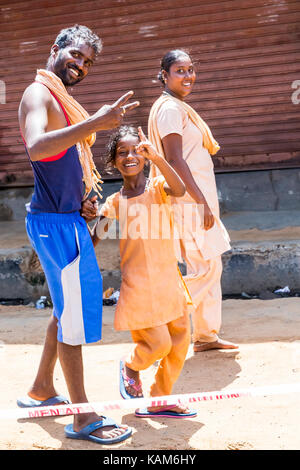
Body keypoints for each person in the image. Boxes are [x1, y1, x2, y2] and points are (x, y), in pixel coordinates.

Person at [17, 24, 139, 445]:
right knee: (71, 320)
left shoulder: (61, 99)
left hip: (64, 218)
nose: (81, 65)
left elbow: (62, 164)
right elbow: (36, 147)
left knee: (63, 310)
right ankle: (83, 416)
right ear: (55, 49)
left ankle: (41, 389)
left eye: (89, 62)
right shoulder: (39, 94)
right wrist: (94, 123)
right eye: (76, 55)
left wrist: (82, 202)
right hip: (54, 225)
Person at [90, 125, 197, 418]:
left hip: (169, 281)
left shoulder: (158, 188)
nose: (130, 156)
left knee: (179, 343)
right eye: (121, 152)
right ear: (114, 162)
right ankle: (130, 365)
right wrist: (85, 214)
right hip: (139, 287)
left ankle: (160, 399)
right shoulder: (114, 202)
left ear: (145, 155)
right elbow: (93, 238)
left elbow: (180, 189)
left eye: (136, 150)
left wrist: (159, 158)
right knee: (158, 344)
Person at [148, 49, 238, 353]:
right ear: (164, 75)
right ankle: (164, 316)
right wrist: (200, 201)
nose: (188, 76)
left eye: (190, 69)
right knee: (206, 267)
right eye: (179, 70)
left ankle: (206, 336)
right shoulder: (170, 109)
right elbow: (173, 159)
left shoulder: (177, 106)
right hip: (188, 202)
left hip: (195, 200)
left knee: (209, 263)